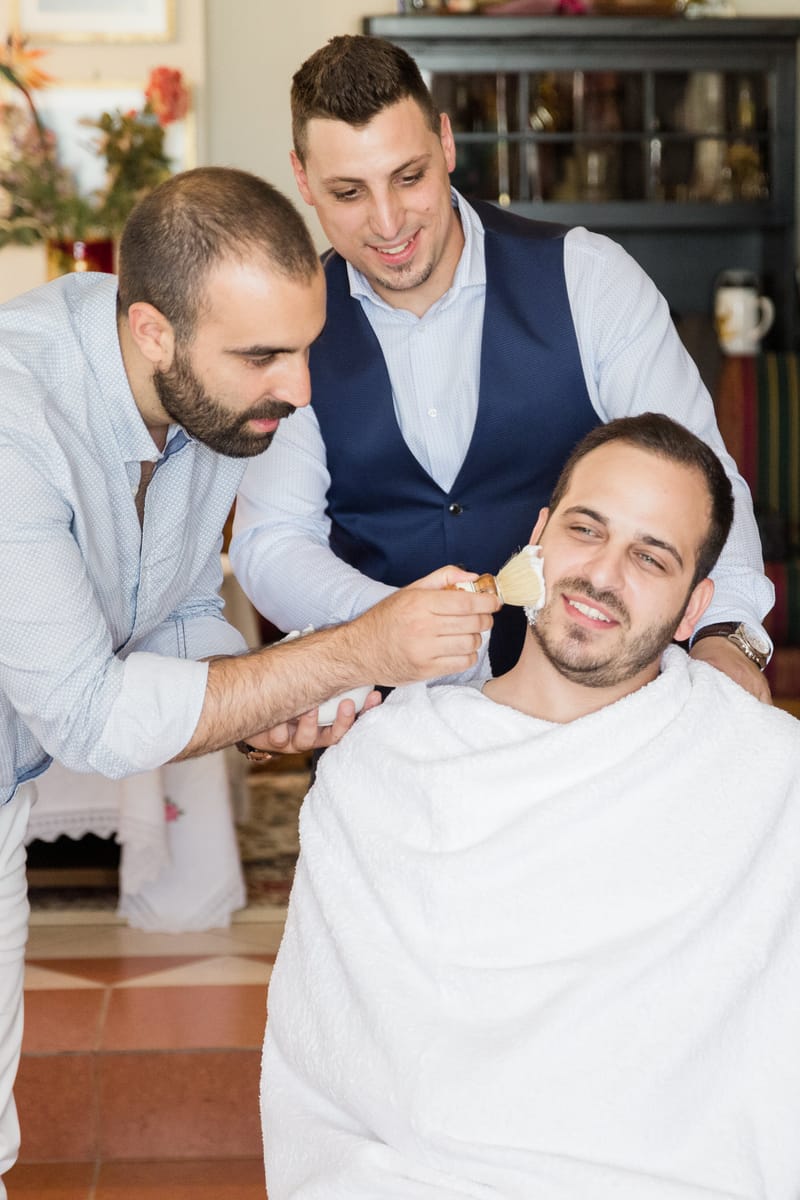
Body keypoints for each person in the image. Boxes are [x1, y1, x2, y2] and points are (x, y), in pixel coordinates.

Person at [0, 166, 499, 1190]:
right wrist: (354, 648)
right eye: (264, 356)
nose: (300, 387)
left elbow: (175, 618)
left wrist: (258, 697)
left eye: (305, 348)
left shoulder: (208, 407)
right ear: (152, 331)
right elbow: (94, 715)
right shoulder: (16, 424)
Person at [261, 414, 800, 1200]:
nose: (602, 574)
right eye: (586, 530)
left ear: (695, 609)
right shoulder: (389, 763)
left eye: (652, 557)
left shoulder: (761, 771)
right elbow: (328, 1073)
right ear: (538, 538)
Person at [230, 33, 774, 698]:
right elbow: (272, 540)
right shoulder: (291, 334)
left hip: (591, 710)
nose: (388, 221)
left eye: (410, 176)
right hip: (385, 726)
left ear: (447, 145)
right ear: (302, 179)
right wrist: (385, 624)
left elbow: (702, 479)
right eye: (348, 192)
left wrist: (728, 635)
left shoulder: (588, 279)